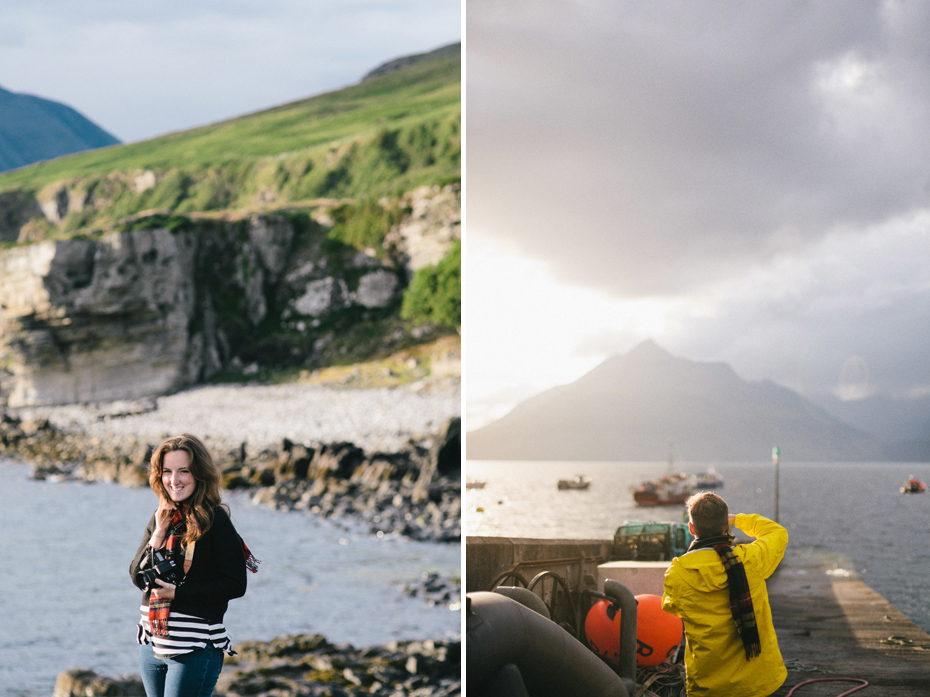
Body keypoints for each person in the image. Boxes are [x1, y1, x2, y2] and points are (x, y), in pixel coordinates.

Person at [130, 434, 258, 697]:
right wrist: (159, 532)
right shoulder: (162, 517)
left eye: (183, 471)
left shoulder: (215, 519)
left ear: (199, 474)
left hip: (194, 647)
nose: (174, 480)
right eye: (167, 471)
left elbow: (235, 584)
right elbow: (137, 575)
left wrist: (177, 593)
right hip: (152, 642)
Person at [662, 492, 788, 697]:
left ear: (691, 528)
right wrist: (739, 519)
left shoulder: (678, 573)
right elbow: (777, 533)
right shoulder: (749, 560)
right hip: (757, 682)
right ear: (727, 527)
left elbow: (672, 608)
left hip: (708, 685)